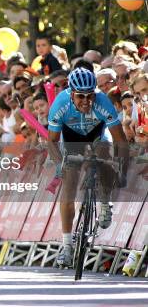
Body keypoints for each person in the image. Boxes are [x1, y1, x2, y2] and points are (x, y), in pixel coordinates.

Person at [47, 67, 128, 267]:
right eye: (80, 96)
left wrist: (121, 168)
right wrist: (60, 164)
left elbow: (121, 139)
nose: (86, 101)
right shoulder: (60, 104)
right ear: (71, 93)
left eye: (90, 96)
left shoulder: (102, 102)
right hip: (72, 139)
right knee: (69, 187)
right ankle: (67, 246)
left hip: (97, 134)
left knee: (105, 152)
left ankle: (104, 202)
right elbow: (52, 142)